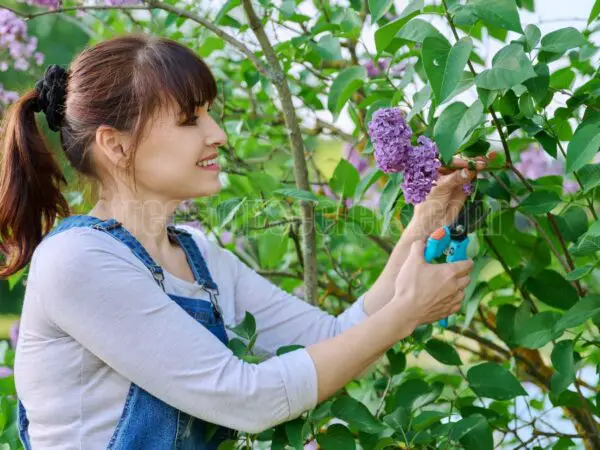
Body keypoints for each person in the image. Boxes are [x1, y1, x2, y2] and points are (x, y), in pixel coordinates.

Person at [0, 33, 482, 449]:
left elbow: (332, 339)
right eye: (191, 120)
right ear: (115, 143)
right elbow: (248, 398)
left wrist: (427, 217)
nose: (219, 135)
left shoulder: (196, 255)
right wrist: (406, 313)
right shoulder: (79, 261)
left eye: (210, 114)